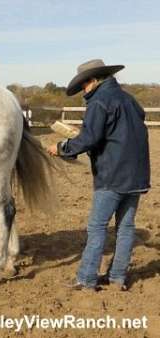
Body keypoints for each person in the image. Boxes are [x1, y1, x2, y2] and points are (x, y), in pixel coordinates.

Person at [47, 59, 151, 291]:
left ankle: (86, 278)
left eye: (83, 85)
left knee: (97, 227)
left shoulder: (99, 102)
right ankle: (117, 278)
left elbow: (90, 138)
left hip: (112, 176)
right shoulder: (130, 100)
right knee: (125, 228)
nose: (83, 90)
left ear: (93, 81)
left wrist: (62, 148)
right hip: (137, 175)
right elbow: (123, 131)